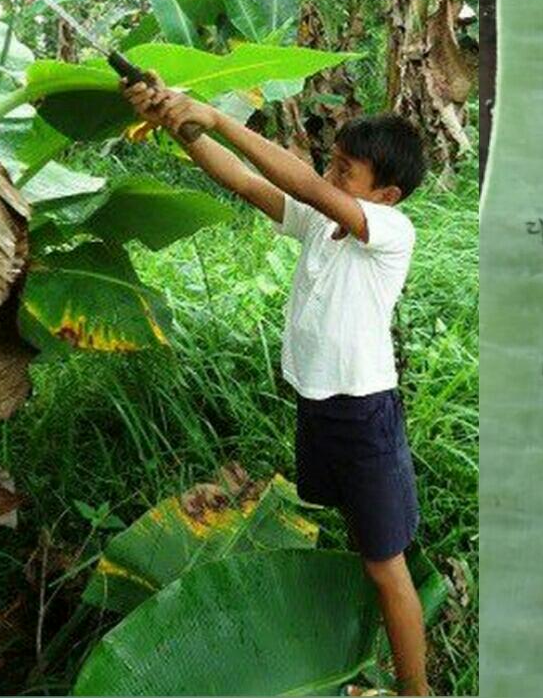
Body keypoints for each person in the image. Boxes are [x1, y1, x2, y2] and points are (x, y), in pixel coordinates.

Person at [121, 74, 430, 696]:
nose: (331, 173)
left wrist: (217, 117)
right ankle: (359, 623)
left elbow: (307, 185)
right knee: (353, 528)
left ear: (387, 193)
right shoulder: (321, 222)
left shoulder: (390, 233)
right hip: (317, 406)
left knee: (386, 564)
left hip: (364, 414)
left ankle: (416, 689)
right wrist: (176, 123)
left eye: (347, 170)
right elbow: (240, 180)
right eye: (333, 162)